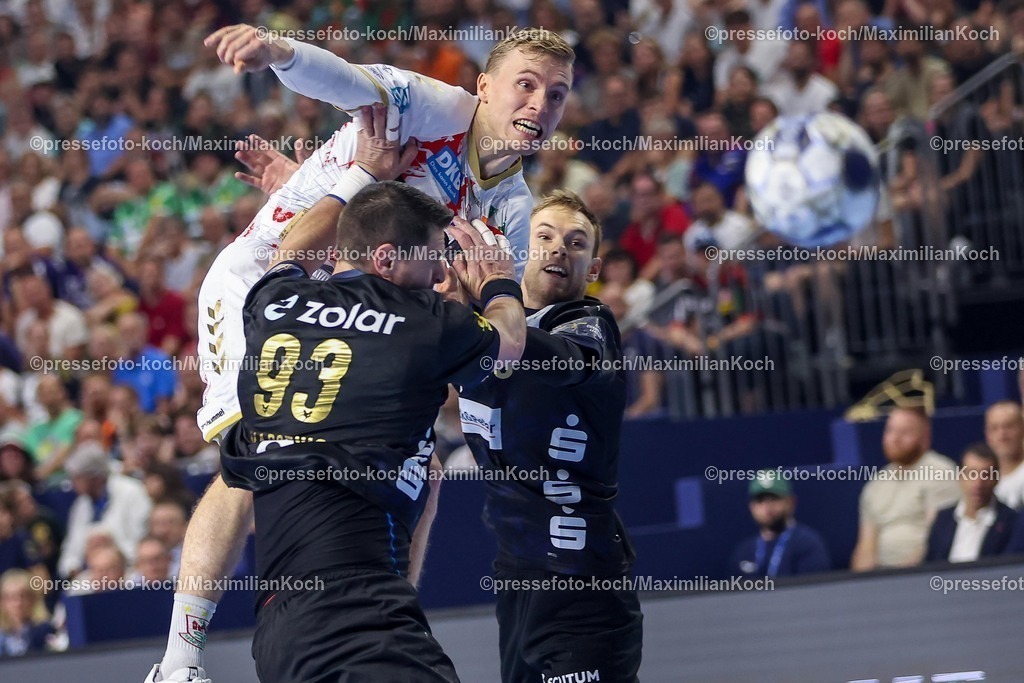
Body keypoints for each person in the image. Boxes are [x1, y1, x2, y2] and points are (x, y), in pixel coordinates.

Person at [146, 26, 574, 682]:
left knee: (420, 471)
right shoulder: (437, 108)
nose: (541, 103)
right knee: (256, 447)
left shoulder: (512, 210)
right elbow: (345, 82)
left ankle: (382, 616)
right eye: (527, 83)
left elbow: (478, 330)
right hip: (266, 280)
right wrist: (277, 54)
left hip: (359, 300)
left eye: (558, 94)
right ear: (484, 87)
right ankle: (178, 661)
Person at [213, 185, 524, 683]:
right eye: (431, 259)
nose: (441, 274)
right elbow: (508, 342)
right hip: (355, 610)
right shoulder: (426, 322)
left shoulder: (273, 301)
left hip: (277, 631)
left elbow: (290, 251)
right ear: (385, 259)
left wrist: (355, 173)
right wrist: (500, 284)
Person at [456, 190, 643, 683]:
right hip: (517, 583)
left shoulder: (589, 326)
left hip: (582, 585)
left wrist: (488, 298)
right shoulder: (480, 328)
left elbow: (550, 358)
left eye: (576, 243)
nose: (559, 248)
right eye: (544, 237)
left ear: (594, 269)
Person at [851, 408, 961, 571]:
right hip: (881, 576)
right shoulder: (875, 485)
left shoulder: (941, 472)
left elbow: (937, 539)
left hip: (924, 572)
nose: (895, 439)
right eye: (890, 431)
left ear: (925, 438)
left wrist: (904, 576)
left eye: (905, 432)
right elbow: (866, 545)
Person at [729, 471, 831, 578]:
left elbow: (815, 590)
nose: (767, 507)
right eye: (760, 500)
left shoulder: (807, 545)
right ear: (751, 506)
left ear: (791, 502)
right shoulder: (743, 552)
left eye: (774, 499)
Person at [925, 443, 1016, 563]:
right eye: (972, 474)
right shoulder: (943, 519)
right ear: (960, 477)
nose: (978, 483)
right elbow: (929, 565)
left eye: (986, 475)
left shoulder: (1011, 521)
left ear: (997, 479)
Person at [985, 401, 1024, 510]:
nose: (1002, 435)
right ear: (987, 435)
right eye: (994, 428)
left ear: (1022, 428)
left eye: (1009, 426)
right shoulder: (981, 479)